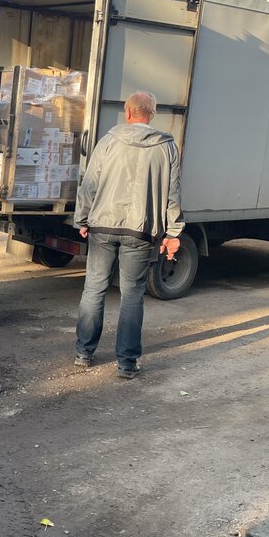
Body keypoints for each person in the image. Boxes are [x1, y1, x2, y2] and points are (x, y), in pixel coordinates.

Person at [73, 90, 184, 378]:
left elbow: (90, 183)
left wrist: (82, 219)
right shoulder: (167, 148)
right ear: (152, 114)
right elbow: (172, 193)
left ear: (128, 112)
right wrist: (173, 233)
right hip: (140, 230)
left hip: (102, 226)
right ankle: (126, 363)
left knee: (94, 289)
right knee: (132, 294)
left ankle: (84, 353)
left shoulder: (108, 141)